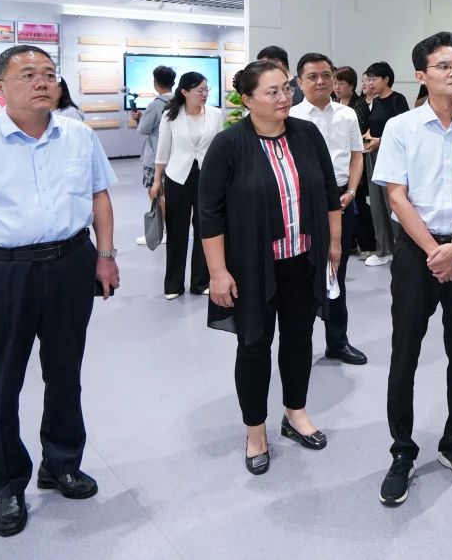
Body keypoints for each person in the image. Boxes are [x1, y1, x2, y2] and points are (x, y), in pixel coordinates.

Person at [0, 44, 119, 538]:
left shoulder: (78, 136)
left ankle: (61, 463)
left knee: (65, 372)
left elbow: (99, 195)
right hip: (1, 273)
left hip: (71, 264)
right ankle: (8, 485)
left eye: (49, 74)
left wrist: (105, 254)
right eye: (28, 74)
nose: (42, 82)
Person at [199, 61, 342, 476]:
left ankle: (295, 413)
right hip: (252, 267)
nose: (285, 97)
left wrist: (334, 244)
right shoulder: (229, 145)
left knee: (299, 340)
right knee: (254, 346)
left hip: (303, 259)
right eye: (272, 92)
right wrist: (218, 272)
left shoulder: (306, 134)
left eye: (286, 88)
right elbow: (209, 213)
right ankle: (255, 431)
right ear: (247, 100)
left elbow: (328, 190)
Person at [371, 32, 452, 507]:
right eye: (444, 66)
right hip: (415, 254)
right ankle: (402, 451)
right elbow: (396, 196)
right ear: (421, 75)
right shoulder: (401, 127)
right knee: (405, 352)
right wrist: (434, 252)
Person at [290, 52, 368, 366]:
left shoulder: (347, 115)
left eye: (326, 75)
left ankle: (337, 342)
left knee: (337, 271)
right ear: (299, 82)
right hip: (302, 203)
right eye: (312, 76)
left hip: (341, 198)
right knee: (302, 274)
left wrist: (351, 190)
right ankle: (299, 345)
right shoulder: (291, 116)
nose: (321, 81)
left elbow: (357, 155)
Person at [151, 72, 223, 299]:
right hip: (178, 177)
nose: (205, 94)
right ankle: (173, 285)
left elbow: (219, 148)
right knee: (177, 230)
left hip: (207, 177)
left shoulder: (215, 114)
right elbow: (162, 150)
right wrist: (157, 180)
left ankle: (200, 282)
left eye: (206, 89)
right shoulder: (171, 115)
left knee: (205, 229)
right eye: (200, 90)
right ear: (184, 92)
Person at [362, 61, 409, 267]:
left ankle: (402, 247)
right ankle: (384, 249)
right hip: (373, 155)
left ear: (386, 79)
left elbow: (404, 131)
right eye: (368, 79)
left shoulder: (397, 100)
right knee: (377, 204)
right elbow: (374, 126)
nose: (370, 83)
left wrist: (380, 140)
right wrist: (368, 136)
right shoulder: (375, 101)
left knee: (393, 203)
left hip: (392, 156)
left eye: (374, 79)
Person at [334, 66, 376, 256]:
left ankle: (368, 245)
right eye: (335, 83)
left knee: (358, 204)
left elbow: (357, 136)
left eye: (341, 83)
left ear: (351, 86)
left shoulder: (358, 106)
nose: (336, 87)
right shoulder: (334, 103)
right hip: (339, 161)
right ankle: (350, 242)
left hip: (357, 160)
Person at [131, 65, 175, 245]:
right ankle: (173, 229)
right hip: (174, 156)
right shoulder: (179, 102)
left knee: (155, 192)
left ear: (155, 83)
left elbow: (143, 129)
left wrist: (140, 118)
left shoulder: (155, 104)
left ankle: (162, 231)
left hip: (155, 157)